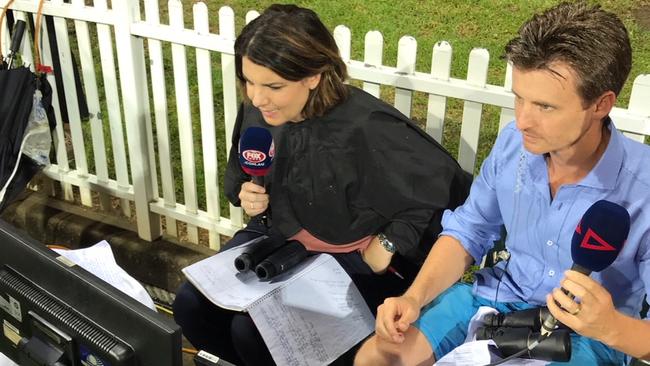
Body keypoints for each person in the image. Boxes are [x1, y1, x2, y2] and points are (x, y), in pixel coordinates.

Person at [172, 4, 472, 365]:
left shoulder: (367, 126)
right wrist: (242, 191)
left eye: (273, 85)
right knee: (191, 306)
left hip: (349, 258)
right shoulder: (259, 109)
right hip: (277, 239)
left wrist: (390, 242)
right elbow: (240, 168)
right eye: (248, 81)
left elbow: (447, 189)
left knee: (254, 332)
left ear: (313, 76)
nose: (256, 97)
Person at [354, 2, 650, 365]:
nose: (522, 120)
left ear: (601, 104)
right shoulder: (514, 144)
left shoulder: (644, 189)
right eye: (518, 98)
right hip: (495, 297)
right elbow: (469, 229)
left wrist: (610, 328)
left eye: (545, 106)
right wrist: (413, 298)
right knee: (377, 358)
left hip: (587, 336)